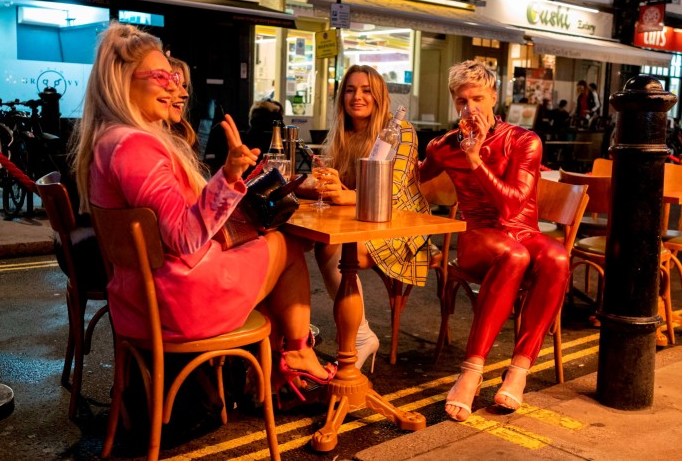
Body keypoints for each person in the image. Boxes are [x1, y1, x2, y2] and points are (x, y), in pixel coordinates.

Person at [69, 21, 335, 402]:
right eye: (162, 75)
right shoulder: (134, 147)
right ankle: (295, 356)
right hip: (176, 303)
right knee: (286, 247)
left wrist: (232, 184)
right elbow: (185, 237)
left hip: (139, 300)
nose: (175, 86)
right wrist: (228, 176)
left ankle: (269, 375)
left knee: (266, 259)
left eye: (175, 76)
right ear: (123, 80)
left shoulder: (110, 139)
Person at [419, 60, 570, 422]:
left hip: (523, 232)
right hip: (478, 237)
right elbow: (413, 181)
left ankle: (518, 371)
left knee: (558, 257)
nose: (470, 109)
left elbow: (512, 204)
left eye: (478, 98)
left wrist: (475, 159)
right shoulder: (444, 146)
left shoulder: (523, 140)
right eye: (461, 101)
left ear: (494, 98)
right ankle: (471, 372)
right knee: (514, 256)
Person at [299, 64, 431, 372]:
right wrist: (322, 183)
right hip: (357, 221)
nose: (357, 96)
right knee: (288, 240)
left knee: (331, 248)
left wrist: (346, 195)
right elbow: (338, 185)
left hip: (400, 226)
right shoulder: (343, 133)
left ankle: (360, 337)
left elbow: (394, 193)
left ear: (380, 96)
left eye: (366, 90)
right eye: (350, 89)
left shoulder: (400, 131)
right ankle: (295, 336)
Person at [166, 55, 199, 150]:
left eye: (184, 86)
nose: (185, 94)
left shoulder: (185, 135)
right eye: (174, 84)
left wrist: (231, 165)